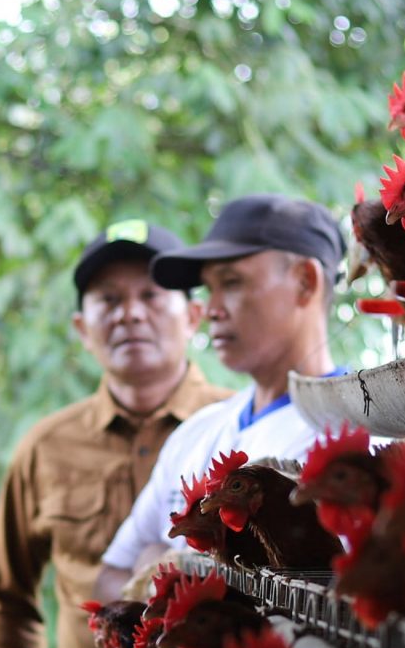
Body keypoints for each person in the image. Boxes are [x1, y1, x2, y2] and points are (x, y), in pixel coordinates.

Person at [0, 227, 230, 648]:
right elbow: (3, 603)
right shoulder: (45, 448)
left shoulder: (234, 431)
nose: (130, 315)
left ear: (193, 315)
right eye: (108, 300)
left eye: (150, 295)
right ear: (81, 328)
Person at [95, 194, 350, 598]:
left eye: (231, 283)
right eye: (207, 289)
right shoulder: (198, 431)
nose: (210, 308)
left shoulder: (360, 439)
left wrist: (165, 564)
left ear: (305, 282)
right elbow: (111, 576)